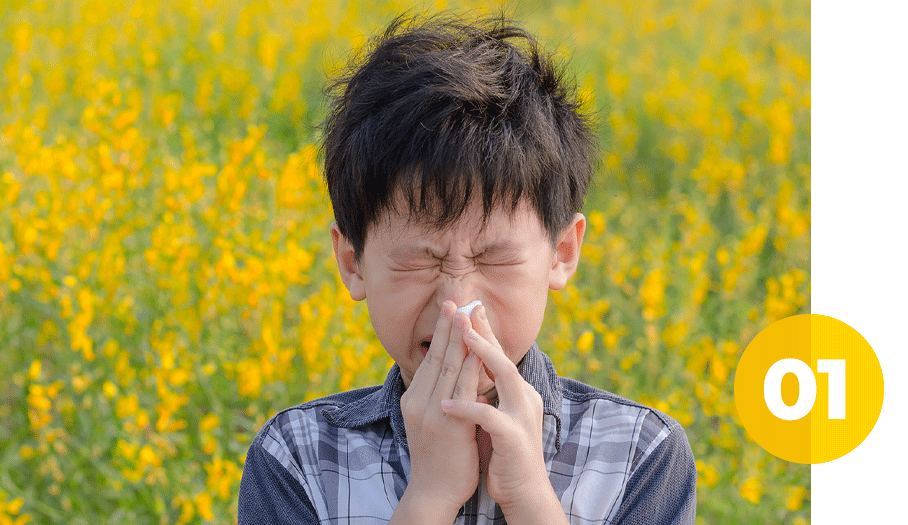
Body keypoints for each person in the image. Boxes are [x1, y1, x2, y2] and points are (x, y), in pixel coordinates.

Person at [238, 13, 696, 525]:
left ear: (563, 252)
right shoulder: (298, 459)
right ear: (353, 263)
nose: (457, 303)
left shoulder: (639, 454)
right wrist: (430, 498)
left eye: (494, 257)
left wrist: (529, 499)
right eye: (419, 259)